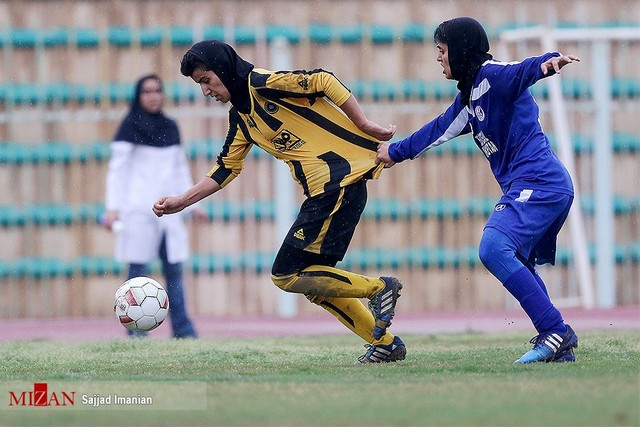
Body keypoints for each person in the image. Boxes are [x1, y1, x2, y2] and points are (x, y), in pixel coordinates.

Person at [152, 40, 405, 364]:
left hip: (337, 183)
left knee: (285, 274)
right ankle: (385, 343)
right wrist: (182, 201)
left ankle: (378, 289)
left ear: (224, 70)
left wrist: (364, 124)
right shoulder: (242, 118)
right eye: (200, 84)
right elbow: (226, 167)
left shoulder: (263, 84)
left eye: (206, 80)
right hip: (331, 191)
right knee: (314, 280)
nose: (205, 91)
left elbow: (323, 80)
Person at [377, 17, 580, 364]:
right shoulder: (470, 97)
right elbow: (437, 129)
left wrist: (549, 61)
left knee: (493, 246)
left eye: (442, 51)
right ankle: (558, 348)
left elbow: (520, 70)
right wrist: (393, 152)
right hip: (538, 186)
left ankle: (555, 332)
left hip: (540, 183)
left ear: (460, 51)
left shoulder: (492, 76)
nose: (438, 58)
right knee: (512, 257)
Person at [103, 73, 202, 339]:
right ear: (138, 95)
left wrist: (192, 203)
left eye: (157, 90)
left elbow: (179, 168)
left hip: (169, 212)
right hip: (138, 212)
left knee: (174, 273)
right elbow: (117, 172)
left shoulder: (171, 127)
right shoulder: (129, 126)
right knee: (136, 276)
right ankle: (135, 332)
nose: (153, 96)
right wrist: (113, 208)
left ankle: (183, 330)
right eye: (147, 91)